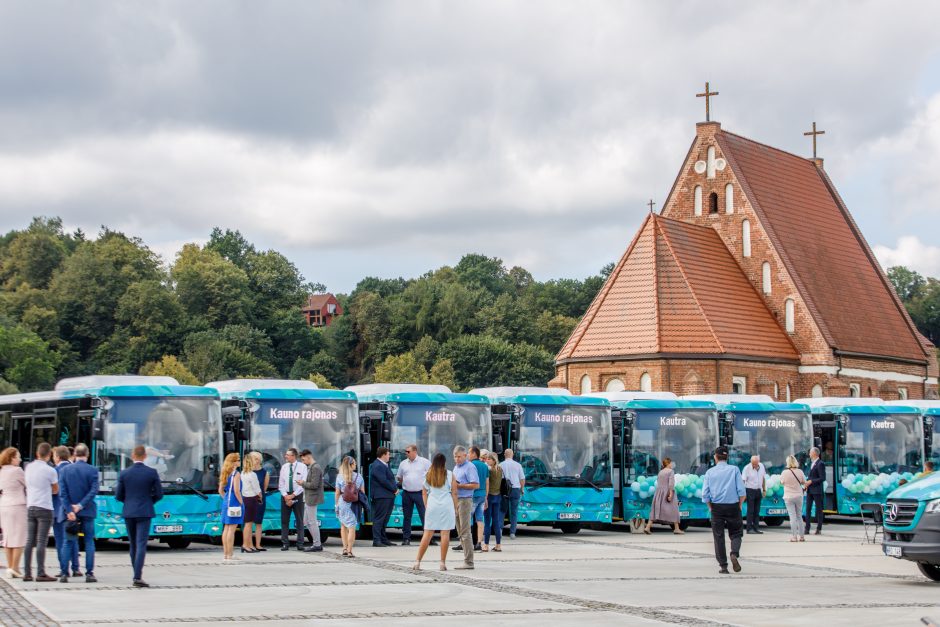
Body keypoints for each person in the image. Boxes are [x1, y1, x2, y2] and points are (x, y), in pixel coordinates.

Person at [115, 445, 164, 587]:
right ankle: (137, 576)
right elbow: (159, 494)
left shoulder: (124, 473)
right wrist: (149, 502)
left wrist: (129, 502)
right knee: (141, 543)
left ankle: (135, 573)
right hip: (145, 511)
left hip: (129, 511)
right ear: (145, 456)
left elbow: (119, 495)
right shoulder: (152, 472)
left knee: (133, 544)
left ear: (132, 456)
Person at [702, 446, 746, 575]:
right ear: (727, 457)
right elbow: (742, 492)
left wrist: (711, 508)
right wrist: (739, 505)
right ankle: (734, 553)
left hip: (716, 507)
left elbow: (705, 495)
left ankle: (723, 566)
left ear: (715, 457)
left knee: (719, 536)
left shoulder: (710, 472)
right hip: (733, 505)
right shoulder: (735, 470)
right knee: (737, 533)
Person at [59, 443, 99, 582]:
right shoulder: (93, 470)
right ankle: (89, 573)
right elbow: (93, 491)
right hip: (87, 511)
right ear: (87, 455)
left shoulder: (65, 470)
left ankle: (64, 573)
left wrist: (70, 509)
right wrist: (81, 505)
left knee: (68, 542)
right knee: (89, 542)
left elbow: (62, 493)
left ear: (75, 455)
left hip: (70, 513)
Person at [412, 453, 457, 572]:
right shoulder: (450, 474)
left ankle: (417, 561)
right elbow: (454, 493)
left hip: (432, 505)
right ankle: (442, 563)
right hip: (446, 505)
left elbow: (424, 492)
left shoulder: (429, 474)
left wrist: (427, 505)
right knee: (445, 534)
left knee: (427, 534)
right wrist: (456, 507)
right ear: (444, 462)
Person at [23, 442, 59, 582]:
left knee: (29, 540)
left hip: (31, 505)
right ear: (49, 455)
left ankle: (27, 573)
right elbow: (55, 490)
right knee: (41, 541)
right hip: (44, 506)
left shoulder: (28, 468)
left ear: (37, 453)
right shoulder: (50, 470)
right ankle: (41, 572)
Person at [52, 446, 80, 579]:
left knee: (60, 541)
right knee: (72, 539)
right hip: (74, 509)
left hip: (58, 511)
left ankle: (64, 569)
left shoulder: (54, 470)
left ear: (57, 456)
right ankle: (76, 568)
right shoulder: (74, 469)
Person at [396, 444, 431, 547]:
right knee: (407, 517)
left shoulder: (424, 462)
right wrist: (407, 482)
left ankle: (429, 538)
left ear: (415, 451)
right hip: (407, 493)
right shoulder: (403, 464)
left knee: (424, 515)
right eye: (406, 452)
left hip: (421, 493)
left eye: (408, 451)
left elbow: (431, 475)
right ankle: (406, 539)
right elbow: (399, 477)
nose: (406, 453)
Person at [0, 447, 27, 579]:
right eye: (18, 457)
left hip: (4, 505)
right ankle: (15, 567)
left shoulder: (1, 470)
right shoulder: (17, 471)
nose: (20, 459)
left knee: (7, 538)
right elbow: (27, 484)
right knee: (19, 538)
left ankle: (10, 566)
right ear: (11, 458)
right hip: (17, 505)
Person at [453, 445, 479, 570]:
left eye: (459, 457)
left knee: (465, 531)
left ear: (465, 456)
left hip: (465, 500)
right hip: (456, 500)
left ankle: (469, 562)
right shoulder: (456, 467)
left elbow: (475, 485)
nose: (457, 459)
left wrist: (460, 486)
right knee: (460, 531)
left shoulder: (470, 467)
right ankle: (466, 558)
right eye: (455, 457)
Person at [335, 456, 365, 557]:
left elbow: (337, 493)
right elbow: (362, 492)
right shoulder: (359, 477)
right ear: (351, 465)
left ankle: (344, 548)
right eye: (355, 463)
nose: (356, 464)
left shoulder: (339, 477)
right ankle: (350, 550)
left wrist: (336, 505)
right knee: (352, 527)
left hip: (342, 503)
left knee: (343, 526)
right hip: (354, 504)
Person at [279, 448, 307, 551]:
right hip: (285, 495)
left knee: (299, 520)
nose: (286, 456)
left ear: (293, 456)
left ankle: (300, 543)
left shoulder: (302, 467)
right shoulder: (284, 467)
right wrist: (286, 496)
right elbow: (281, 483)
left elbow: (303, 483)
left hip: (298, 495)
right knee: (284, 520)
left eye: (288, 455)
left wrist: (293, 495)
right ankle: (285, 543)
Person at [369, 447, 398, 547]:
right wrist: (394, 489)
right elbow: (383, 480)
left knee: (385, 518)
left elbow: (389, 479)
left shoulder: (384, 465)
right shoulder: (377, 465)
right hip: (381, 496)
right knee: (379, 518)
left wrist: (395, 488)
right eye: (388, 454)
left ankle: (383, 538)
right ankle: (376, 540)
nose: (389, 456)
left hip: (388, 495)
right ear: (384, 454)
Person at [645, 458, 682, 534]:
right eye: (671, 463)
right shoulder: (670, 471)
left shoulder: (661, 472)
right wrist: (671, 494)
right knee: (674, 510)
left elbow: (658, 482)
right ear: (668, 464)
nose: (672, 465)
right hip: (667, 492)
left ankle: (648, 527)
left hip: (659, 493)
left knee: (655, 510)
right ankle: (676, 529)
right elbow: (671, 484)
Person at [218, 452, 243, 562]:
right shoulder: (236, 474)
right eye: (238, 460)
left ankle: (226, 554)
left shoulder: (225, 472)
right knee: (232, 529)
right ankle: (230, 555)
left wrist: (226, 499)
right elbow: (237, 491)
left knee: (226, 528)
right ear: (233, 462)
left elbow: (220, 490)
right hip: (235, 502)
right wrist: (241, 503)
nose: (239, 462)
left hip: (226, 501)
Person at [300, 449, 324, 552]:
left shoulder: (316, 468)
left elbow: (314, 485)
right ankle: (316, 542)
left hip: (312, 498)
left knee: (312, 521)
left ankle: (317, 544)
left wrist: (302, 483)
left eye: (303, 459)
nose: (303, 462)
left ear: (309, 457)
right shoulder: (312, 467)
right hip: (309, 497)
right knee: (306, 521)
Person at [240, 452, 264, 553]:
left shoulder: (242, 473)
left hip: (245, 499)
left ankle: (249, 544)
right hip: (252, 499)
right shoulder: (252, 474)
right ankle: (245, 545)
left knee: (247, 523)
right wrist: (261, 497)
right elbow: (257, 489)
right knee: (249, 524)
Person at [500, 449, 525, 539]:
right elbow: (522, 478)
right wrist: (522, 489)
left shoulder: (500, 465)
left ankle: (500, 530)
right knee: (514, 512)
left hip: (504, 490)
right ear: (512, 455)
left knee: (502, 511)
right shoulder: (518, 465)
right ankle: (512, 533)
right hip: (515, 489)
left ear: (504, 454)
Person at [780, 455, 806, 542]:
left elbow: (782, 482)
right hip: (798, 496)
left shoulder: (784, 473)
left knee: (792, 517)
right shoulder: (800, 471)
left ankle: (794, 537)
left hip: (788, 497)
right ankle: (802, 537)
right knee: (799, 516)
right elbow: (804, 482)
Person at [469, 446, 489, 552]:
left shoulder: (470, 465)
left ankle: (465, 543)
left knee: (467, 519)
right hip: (482, 495)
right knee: (480, 519)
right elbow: (487, 482)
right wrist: (486, 497)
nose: (468, 455)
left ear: (473, 454)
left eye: (469, 453)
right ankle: (479, 543)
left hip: (473, 495)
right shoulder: (485, 466)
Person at [482, 452, 503, 551]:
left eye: (489, 459)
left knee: (487, 521)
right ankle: (498, 545)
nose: (487, 460)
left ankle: (486, 545)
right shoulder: (500, 469)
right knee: (496, 521)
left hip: (489, 497)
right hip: (497, 497)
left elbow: (486, 483)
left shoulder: (489, 470)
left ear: (493, 460)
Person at [741, 455, 767, 534]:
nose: (754, 466)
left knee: (757, 510)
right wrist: (743, 493)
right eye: (753, 464)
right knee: (750, 510)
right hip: (749, 490)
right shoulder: (747, 468)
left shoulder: (762, 466)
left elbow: (763, 478)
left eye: (755, 464)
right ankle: (749, 529)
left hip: (758, 490)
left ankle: (756, 528)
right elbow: (743, 481)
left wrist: (764, 489)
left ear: (758, 462)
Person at [803, 446, 825, 536]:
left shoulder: (820, 464)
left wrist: (811, 481)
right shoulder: (811, 463)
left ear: (815, 453)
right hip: (810, 490)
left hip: (817, 490)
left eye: (810, 452)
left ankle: (819, 528)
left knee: (818, 509)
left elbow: (822, 478)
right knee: (807, 509)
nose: (809, 454)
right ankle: (807, 528)